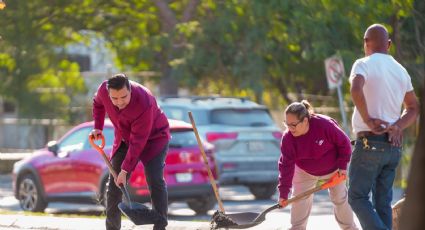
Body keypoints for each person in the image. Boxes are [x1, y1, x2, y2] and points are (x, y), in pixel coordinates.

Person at [348, 23, 419, 230]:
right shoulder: (401, 70)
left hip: (370, 142)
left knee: (357, 196)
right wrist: (398, 126)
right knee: (383, 203)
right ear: (388, 44)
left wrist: (368, 119)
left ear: (365, 43)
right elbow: (414, 107)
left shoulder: (363, 63)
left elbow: (355, 89)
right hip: (393, 146)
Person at [90, 73, 170, 230]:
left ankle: (160, 226)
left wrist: (125, 170)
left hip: (154, 139)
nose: (119, 102)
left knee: (154, 179)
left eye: (124, 97)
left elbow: (138, 142)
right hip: (125, 139)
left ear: (130, 90)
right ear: (108, 93)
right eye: (114, 99)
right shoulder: (103, 91)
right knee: (114, 185)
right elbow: (97, 104)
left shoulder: (144, 101)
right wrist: (98, 126)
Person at [278, 100, 358, 230]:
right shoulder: (288, 138)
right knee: (300, 201)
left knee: (340, 199)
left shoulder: (324, 125)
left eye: (293, 124)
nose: (290, 128)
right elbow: (285, 166)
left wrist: (343, 167)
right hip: (304, 171)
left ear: (305, 121)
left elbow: (345, 144)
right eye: (287, 124)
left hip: (334, 169)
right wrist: (283, 193)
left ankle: (350, 228)